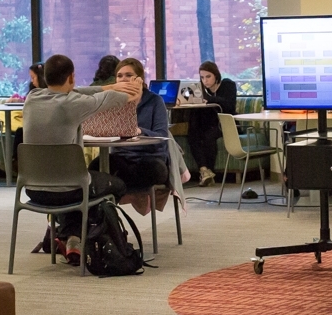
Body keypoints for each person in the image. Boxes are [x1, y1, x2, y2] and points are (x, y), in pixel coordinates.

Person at [23, 54, 141, 263]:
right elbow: (119, 99)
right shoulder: (74, 104)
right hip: (69, 190)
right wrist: (133, 87)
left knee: (79, 186)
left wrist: (106, 87)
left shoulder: (31, 99)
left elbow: (76, 92)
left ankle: (70, 236)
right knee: (114, 186)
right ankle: (77, 236)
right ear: (72, 77)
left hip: (32, 188)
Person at [109, 58, 172, 214]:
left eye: (128, 75)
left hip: (149, 159)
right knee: (96, 167)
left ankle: (121, 192)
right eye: (119, 75)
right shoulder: (112, 101)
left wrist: (139, 131)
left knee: (152, 170)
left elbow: (161, 136)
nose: (123, 79)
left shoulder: (155, 101)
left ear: (139, 79)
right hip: (122, 157)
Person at [186, 62, 239, 187]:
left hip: (227, 123)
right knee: (193, 134)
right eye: (202, 77)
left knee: (209, 136)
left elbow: (228, 104)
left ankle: (210, 170)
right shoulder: (201, 91)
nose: (205, 81)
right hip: (210, 123)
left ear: (216, 75)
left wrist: (209, 99)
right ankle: (204, 170)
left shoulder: (227, 84)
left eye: (208, 76)